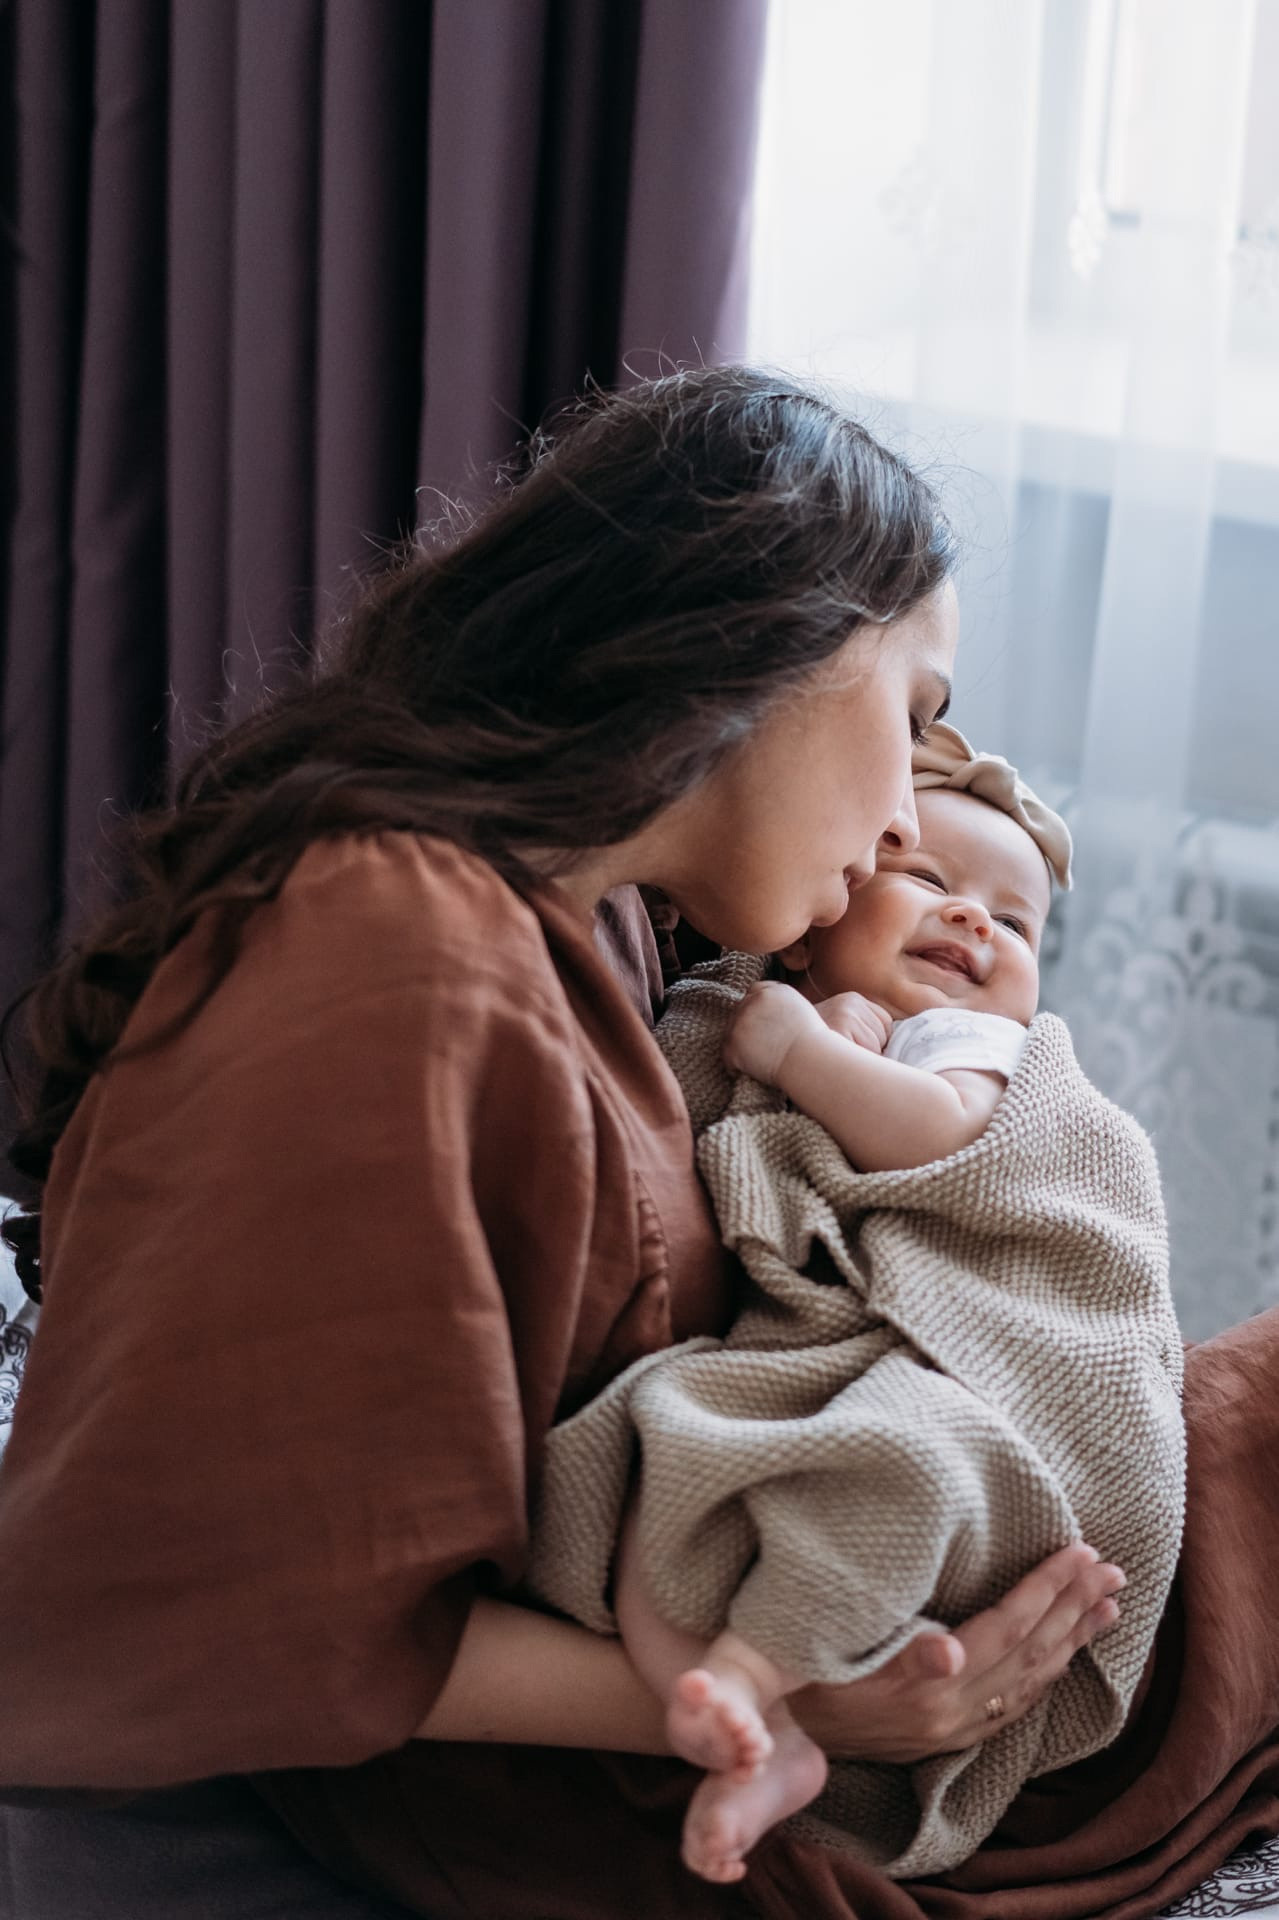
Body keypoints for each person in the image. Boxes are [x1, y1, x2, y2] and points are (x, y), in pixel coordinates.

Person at [0, 366, 1270, 1920]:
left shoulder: (601, 923)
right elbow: (216, 1614)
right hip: (686, 1710)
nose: (896, 832)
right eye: (913, 715)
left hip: (836, 1559)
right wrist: (789, 1695)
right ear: (760, 648)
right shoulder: (396, 959)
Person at [529, 729, 1182, 1888]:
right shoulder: (741, 999)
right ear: (823, 909)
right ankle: (735, 1707)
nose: (975, 922)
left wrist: (801, 1055)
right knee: (636, 1457)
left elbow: (938, 1133)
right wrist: (772, 1034)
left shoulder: (979, 1047)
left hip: (968, 1372)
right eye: (930, 883)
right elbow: (673, 1117)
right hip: (803, 1361)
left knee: (904, 1459)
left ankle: (746, 1670)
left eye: (1016, 924)